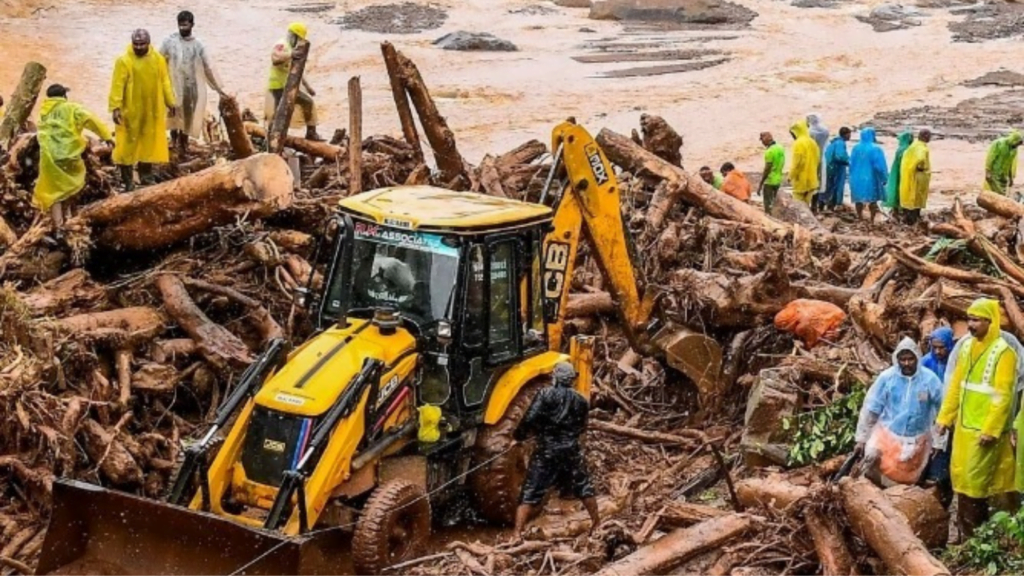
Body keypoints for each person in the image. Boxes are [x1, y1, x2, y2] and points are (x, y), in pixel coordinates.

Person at [936, 298, 1019, 537]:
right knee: (962, 478)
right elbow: (955, 387)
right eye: (969, 319)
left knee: (978, 481)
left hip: (985, 432)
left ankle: (983, 534)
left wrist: (991, 429)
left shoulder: (1004, 353)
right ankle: (967, 534)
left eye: (975, 320)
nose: (970, 325)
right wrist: (944, 418)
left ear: (989, 322)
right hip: (964, 428)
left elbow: (1003, 395)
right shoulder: (967, 348)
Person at [513, 362, 599, 540]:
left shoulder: (545, 394)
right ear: (571, 380)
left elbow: (530, 418)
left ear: (555, 378)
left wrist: (520, 436)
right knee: (583, 487)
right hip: (571, 450)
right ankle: (597, 524)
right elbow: (583, 427)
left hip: (547, 450)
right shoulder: (581, 400)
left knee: (531, 491)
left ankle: (516, 533)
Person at [854, 337, 944, 485]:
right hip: (887, 434)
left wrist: (939, 441)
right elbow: (871, 408)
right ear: (897, 359)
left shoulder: (930, 380)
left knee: (904, 479)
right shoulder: (887, 378)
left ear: (917, 358)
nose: (907, 363)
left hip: (917, 438)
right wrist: (861, 438)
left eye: (910, 359)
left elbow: (942, 411)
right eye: (903, 359)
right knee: (871, 460)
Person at [33, 84, 113, 234]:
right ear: (64, 96)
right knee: (72, 185)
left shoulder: (43, 112)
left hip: (49, 158)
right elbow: (91, 120)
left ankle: (58, 226)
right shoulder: (71, 108)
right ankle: (69, 217)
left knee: (53, 192)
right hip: (69, 155)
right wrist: (106, 136)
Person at [109, 29, 176, 191]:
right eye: (136, 44)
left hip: (151, 109)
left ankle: (146, 175)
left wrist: (171, 102)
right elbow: (117, 85)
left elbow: (165, 81)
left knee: (149, 142)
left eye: (142, 44)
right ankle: (128, 180)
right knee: (127, 144)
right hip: (130, 110)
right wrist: (115, 107)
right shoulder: (124, 61)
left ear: (149, 43)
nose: (138, 47)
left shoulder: (158, 59)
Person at [160, 10, 226, 158]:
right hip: (173, 85)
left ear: (192, 25)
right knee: (174, 116)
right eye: (180, 25)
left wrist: (219, 89)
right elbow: (157, 60)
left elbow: (209, 66)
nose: (183, 28)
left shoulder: (198, 45)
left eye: (185, 25)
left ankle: (184, 146)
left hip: (191, 87)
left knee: (188, 118)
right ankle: (174, 143)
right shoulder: (169, 42)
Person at [266, 22, 322, 142]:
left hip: (288, 86)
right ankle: (272, 139)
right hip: (278, 87)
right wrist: (291, 54)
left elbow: (296, 70)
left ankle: (310, 133)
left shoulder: (293, 49)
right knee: (279, 113)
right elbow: (275, 58)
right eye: (299, 39)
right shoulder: (282, 45)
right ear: (294, 36)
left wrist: (308, 87)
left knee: (305, 103)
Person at [849, 127, 888, 222]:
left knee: (858, 199)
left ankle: (860, 217)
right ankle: (872, 219)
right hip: (871, 177)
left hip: (856, 177)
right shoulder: (876, 149)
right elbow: (879, 166)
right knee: (872, 199)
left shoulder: (855, 148)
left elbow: (851, 163)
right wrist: (884, 177)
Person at [899, 128, 932, 224]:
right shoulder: (922, 148)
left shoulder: (912, 146)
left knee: (909, 196)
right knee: (918, 197)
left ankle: (908, 218)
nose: (930, 138)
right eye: (929, 136)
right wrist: (920, 167)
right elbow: (920, 158)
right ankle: (914, 219)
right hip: (919, 176)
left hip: (909, 175)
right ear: (925, 136)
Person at [789, 119, 820, 205]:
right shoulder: (812, 142)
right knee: (807, 204)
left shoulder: (798, 143)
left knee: (798, 203)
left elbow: (797, 163)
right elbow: (817, 159)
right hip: (812, 179)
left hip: (801, 180)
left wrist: (790, 176)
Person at [984, 130, 1023, 196]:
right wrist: (988, 171)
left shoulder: (1013, 149)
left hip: (1004, 175)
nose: (1017, 146)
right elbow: (990, 157)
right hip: (995, 173)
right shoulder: (999, 144)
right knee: (993, 193)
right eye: (1017, 143)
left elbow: (1011, 164)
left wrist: (1011, 178)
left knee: (1002, 194)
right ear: (1014, 140)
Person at [821, 127, 851, 211]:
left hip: (829, 166)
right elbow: (840, 156)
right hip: (836, 167)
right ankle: (835, 205)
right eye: (849, 134)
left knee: (829, 186)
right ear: (845, 134)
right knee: (837, 186)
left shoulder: (834, 142)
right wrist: (848, 162)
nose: (850, 136)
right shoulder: (840, 143)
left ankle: (824, 205)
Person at [885, 130, 913, 219]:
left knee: (896, 190)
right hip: (904, 173)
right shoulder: (908, 149)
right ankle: (903, 211)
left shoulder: (900, 149)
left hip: (897, 172)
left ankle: (895, 211)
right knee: (904, 191)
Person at [807, 113, 830, 199]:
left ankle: (810, 202)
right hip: (822, 156)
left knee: (811, 179)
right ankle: (816, 204)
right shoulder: (825, 131)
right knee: (819, 179)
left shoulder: (808, 132)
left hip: (811, 157)